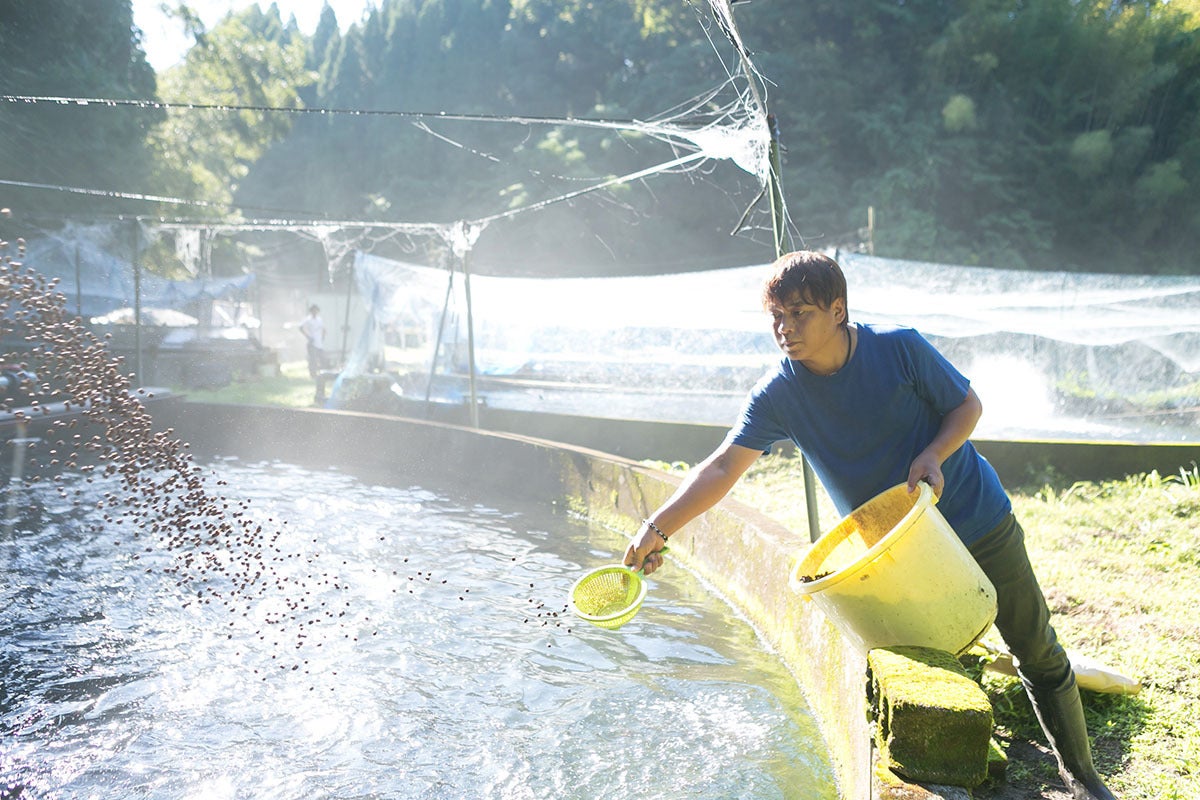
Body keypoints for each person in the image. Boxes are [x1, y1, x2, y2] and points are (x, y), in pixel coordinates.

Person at [624, 251, 1115, 800]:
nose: (785, 330)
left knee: (1037, 649)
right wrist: (658, 527)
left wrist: (933, 453)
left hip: (975, 517)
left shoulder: (898, 347)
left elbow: (967, 406)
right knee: (934, 664)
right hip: (894, 555)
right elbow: (721, 466)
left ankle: (1085, 780)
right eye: (776, 318)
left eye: (800, 314)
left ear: (837, 309)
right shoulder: (778, 393)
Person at [298, 304, 326, 402]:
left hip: (319, 342)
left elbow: (324, 329)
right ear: (311, 311)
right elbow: (300, 327)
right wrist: (308, 336)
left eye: (316, 310)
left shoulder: (319, 319)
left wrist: (323, 338)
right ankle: (313, 374)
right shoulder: (308, 319)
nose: (315, 312)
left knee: (322, 358)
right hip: (312, 342)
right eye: (313, 311)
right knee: (312, 359)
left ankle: (322, 373)